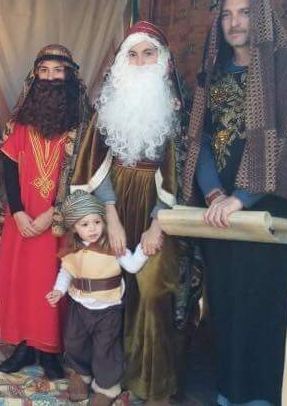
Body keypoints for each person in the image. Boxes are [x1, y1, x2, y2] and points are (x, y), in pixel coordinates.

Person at [181, 0, 287, 405]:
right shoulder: (214, 73)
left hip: (267, 213)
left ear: (263, 17)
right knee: (225, 304)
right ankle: (228, 392)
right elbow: (201, 138)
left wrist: (242, 198)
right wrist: (213, 194)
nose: (235, 23)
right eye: (227, 14)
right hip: (220, 214)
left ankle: (261, 396)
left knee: (262, 306)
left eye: (244, 13)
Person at [70, 21, 202, 402]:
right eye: (133, 55)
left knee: (152, 289)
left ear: (162, 60)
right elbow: (93, 165)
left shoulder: (177, 109)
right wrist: (110, 217)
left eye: (148, 54)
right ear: (122, 62)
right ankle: (96, 372)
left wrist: (158, 222)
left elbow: (179, 172)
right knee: (101, 282)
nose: (141, 62)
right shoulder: (106, 107)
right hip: (111, 203)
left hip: (158, 208)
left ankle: (148, 383)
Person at [0, 44, 102, 379]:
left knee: (53, 281)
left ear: (69, 76)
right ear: (34, 76)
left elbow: (85, 175)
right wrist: (19, 213)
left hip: (60, 221)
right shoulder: (20, 122)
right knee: (21, 282)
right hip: (21, 218)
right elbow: (8, 167)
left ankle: (50, 350)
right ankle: (24, 346)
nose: (50, 78)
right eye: (44, 71)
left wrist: (53, 214)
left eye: (57, 70)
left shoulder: (83, 125)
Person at [46, 190, 152, 406]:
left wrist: (145, 249)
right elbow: (66, 272)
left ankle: (106, 386)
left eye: (97, 222)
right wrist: (58, 290)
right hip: (79, 306)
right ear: (74, 227)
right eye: (84, 224)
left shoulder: (113, 246)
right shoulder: (71, 249)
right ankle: (81, 374)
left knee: (106, 348)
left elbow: (132, 266)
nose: (92, 228)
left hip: (108, 309)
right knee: (74, 342)